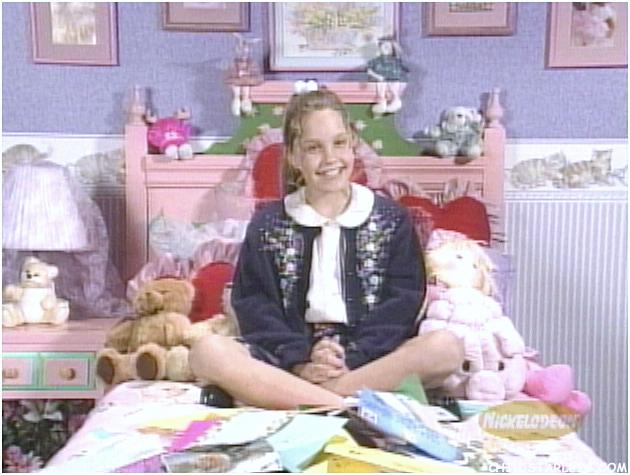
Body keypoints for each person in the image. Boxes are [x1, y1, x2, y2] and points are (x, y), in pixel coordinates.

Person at [189, 87, 463, 409]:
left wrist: (351, 356)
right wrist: (302, 359)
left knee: (446, 347)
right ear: (294, 156)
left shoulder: (392, 219)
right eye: (314, 148)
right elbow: (255, 306)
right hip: (287, 361)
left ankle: (315, 397)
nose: (330, 159)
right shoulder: (267, 224)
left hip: (370, 360)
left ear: (353, 144)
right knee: (207, 352)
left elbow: (401, 304)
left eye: (339, 143)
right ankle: (340, 402)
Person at [366, 36, 409, 115]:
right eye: (385, 47)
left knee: (393, 85)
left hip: (393, 79)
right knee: (382, 86)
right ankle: (382, 102)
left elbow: (405, 69)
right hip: (381, 79)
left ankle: (395, 100)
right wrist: (377, 76)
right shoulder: (375, 61)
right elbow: (369, 71)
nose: (387, 49)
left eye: (389, 47)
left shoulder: (396, 61)